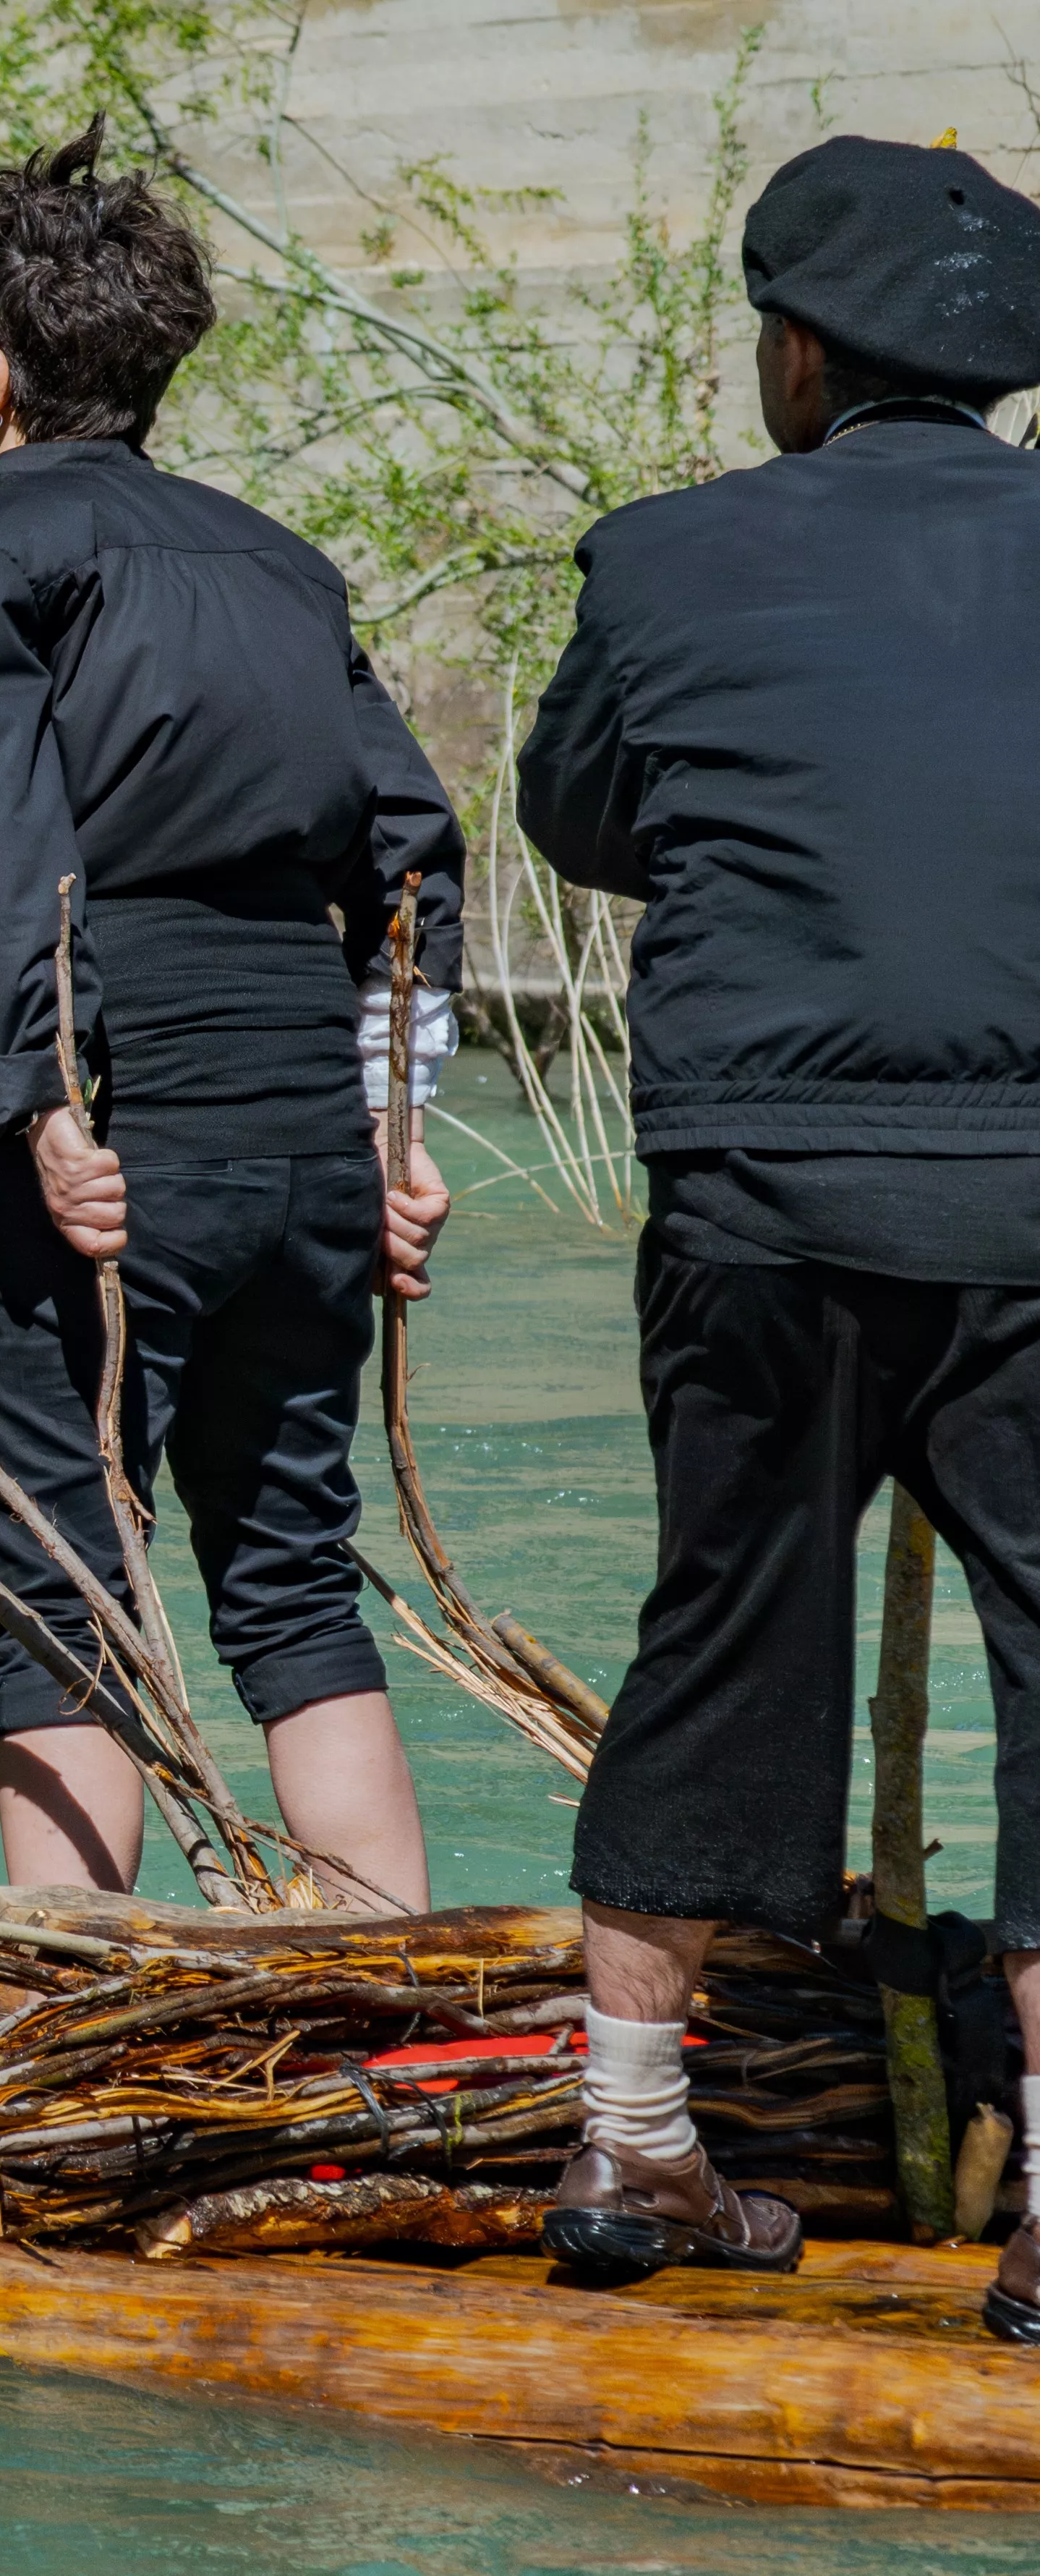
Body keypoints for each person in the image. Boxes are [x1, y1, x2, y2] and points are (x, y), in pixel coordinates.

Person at [522, 134, 1040, 2325]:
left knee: (718, 1640)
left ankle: (631, 2137)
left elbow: (582, 808)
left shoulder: (657, 562)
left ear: (795, 355)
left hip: (756, 1191)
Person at [0, 124, 459, 1916]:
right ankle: (397, 2006)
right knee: (289, 1576)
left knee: (59, 1578)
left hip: (116, 1113)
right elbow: (408, 853)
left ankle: (73, 2007)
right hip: (300, 1130)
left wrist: (38, 1096)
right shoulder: (279, 565)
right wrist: (385, 1131)